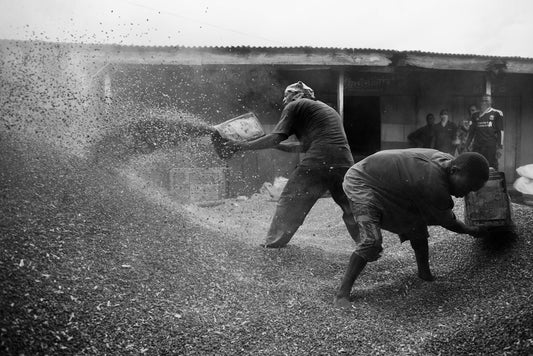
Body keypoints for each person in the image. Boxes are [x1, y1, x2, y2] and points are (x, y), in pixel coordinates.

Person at [334, 149, 490, 308]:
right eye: (468, 187)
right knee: (372, 242)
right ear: (454, 171)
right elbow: (448, 222)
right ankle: (342, 294)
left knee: (416, 221)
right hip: (361, 181)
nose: (465, 194)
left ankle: (425, 274)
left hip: (393, 186)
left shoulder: (450, 162)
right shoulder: (434, 182)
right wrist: (472, 230)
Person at [223, 81, 359, 247]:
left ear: (299, 94)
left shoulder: (296, 105)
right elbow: (302, 147)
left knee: (290, 201)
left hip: (318, 161)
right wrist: (274, 144)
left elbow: (276, 137)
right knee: (350, 207)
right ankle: (368, 244)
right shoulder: (325, 110)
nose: (284, 100)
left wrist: (241, 146)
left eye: (287, 95)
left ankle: (273, 243)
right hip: (344, 163)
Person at [465, 95, 504, 170]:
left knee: (491, 167)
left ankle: (493, 181)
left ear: (491, 102)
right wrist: (467, 144)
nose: (484, 102)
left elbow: (500, 132)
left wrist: (500, 147)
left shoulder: (497, 113)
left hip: (490, 146)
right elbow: (471, 132)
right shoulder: (474, 115)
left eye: (487, 100)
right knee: (477, 166)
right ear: (480, 102)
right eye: (483, 100)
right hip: (477, 146)